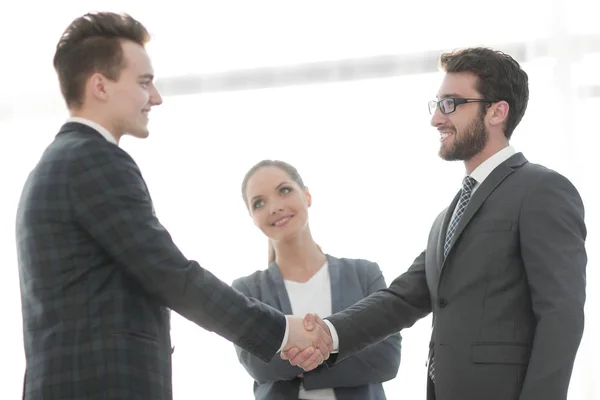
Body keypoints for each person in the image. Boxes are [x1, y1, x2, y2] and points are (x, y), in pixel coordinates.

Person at [15, 12, 330, 400]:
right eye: (144, 82)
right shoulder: (92, 159)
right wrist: (282, 331)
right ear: (100, 85)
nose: (156, 97)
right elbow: (172, 275)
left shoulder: (58, 163)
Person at [284, 47, 587, 400]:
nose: (436, 119)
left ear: (497, 111)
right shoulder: (448, 217)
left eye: (451, 104)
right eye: (437, 104)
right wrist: (329, 333)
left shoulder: (541, 190)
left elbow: (561, 316)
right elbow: (402, 298)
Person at [233, 160, 401, 400]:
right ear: (253, 218)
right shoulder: (247, 291)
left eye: (284, 190)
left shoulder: (364, 274)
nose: (274, 207)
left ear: (307, 195)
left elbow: (387, 357)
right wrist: (341, 351)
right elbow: (259, 365)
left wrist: (300, 364)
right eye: (259, 202)